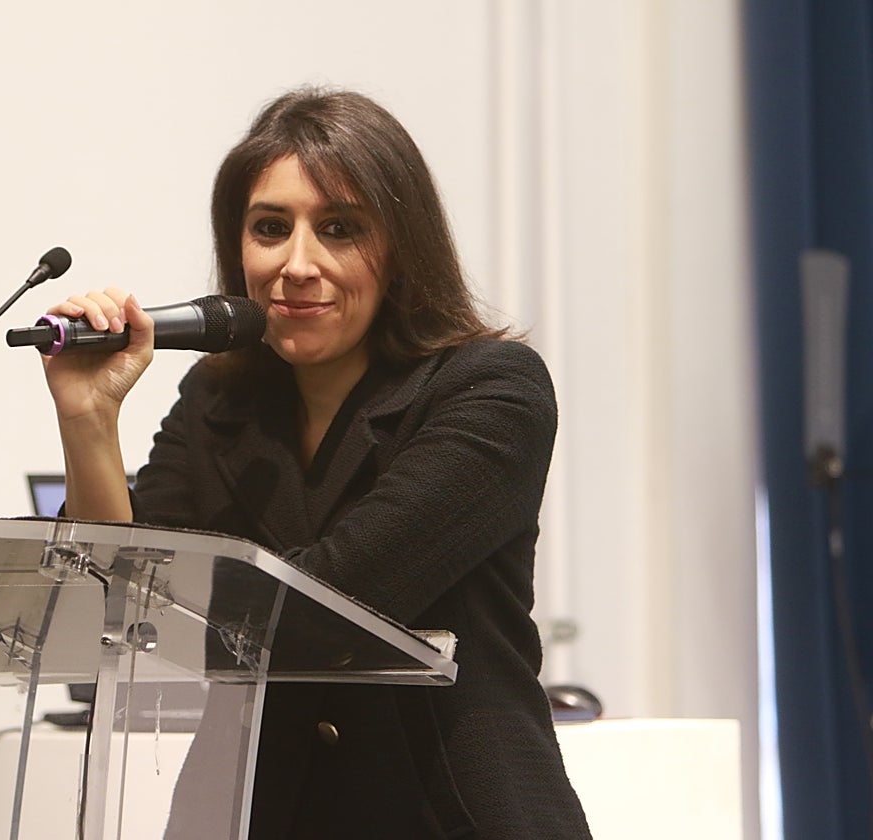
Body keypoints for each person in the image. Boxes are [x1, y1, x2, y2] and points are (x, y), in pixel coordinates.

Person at [41, 87, 592, 839]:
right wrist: (90, 418)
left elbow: (335, 601)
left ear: (400, 249)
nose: (298, 264)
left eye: (339, 229)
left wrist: (178, 610)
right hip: (254, 813)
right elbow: (115, 603)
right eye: (270, 228)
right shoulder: (217, 398)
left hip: (449, 814)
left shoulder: (491, 389)